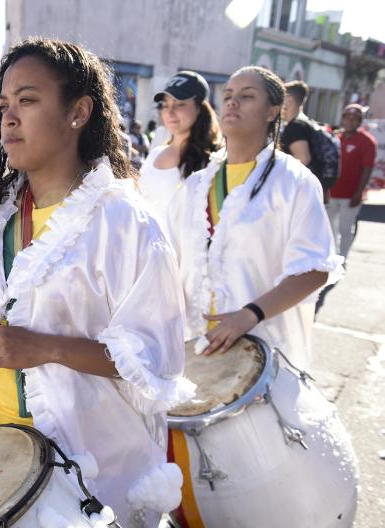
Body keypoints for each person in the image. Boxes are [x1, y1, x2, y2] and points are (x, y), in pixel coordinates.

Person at [0, 38, 191, 528]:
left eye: (27, 101)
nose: (8, 118)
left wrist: (44, 348)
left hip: (87, 465)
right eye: (4, 105)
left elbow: (157, 365)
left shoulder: (125, 221)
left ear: (79, 112)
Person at [165, 65, 342, 372]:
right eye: (229, 95)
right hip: (192, 347)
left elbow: (315, 269)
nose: (233, 102)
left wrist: (249, 315)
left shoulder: (293, 182)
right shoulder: (194, 186)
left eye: (247, 96)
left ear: (273, 111)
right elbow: (167, 264)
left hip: (259, 347)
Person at [138, 70, 223, 228]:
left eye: (180, 104)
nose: (170, 112)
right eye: (165, 105)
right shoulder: (155, 154)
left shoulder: (213, 160)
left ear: (200, 108)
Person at [327, 104, 376, 259]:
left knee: (345, 229)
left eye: (355, 119)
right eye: (347, 118)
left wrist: (359, 193)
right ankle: (332, 257)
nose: (350, 122)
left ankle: (342, 258)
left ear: (360, 121)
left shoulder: (367, 141)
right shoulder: (335, 137)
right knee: (329, 228)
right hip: (332, 192)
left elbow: (367, 169)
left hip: (350, 195)